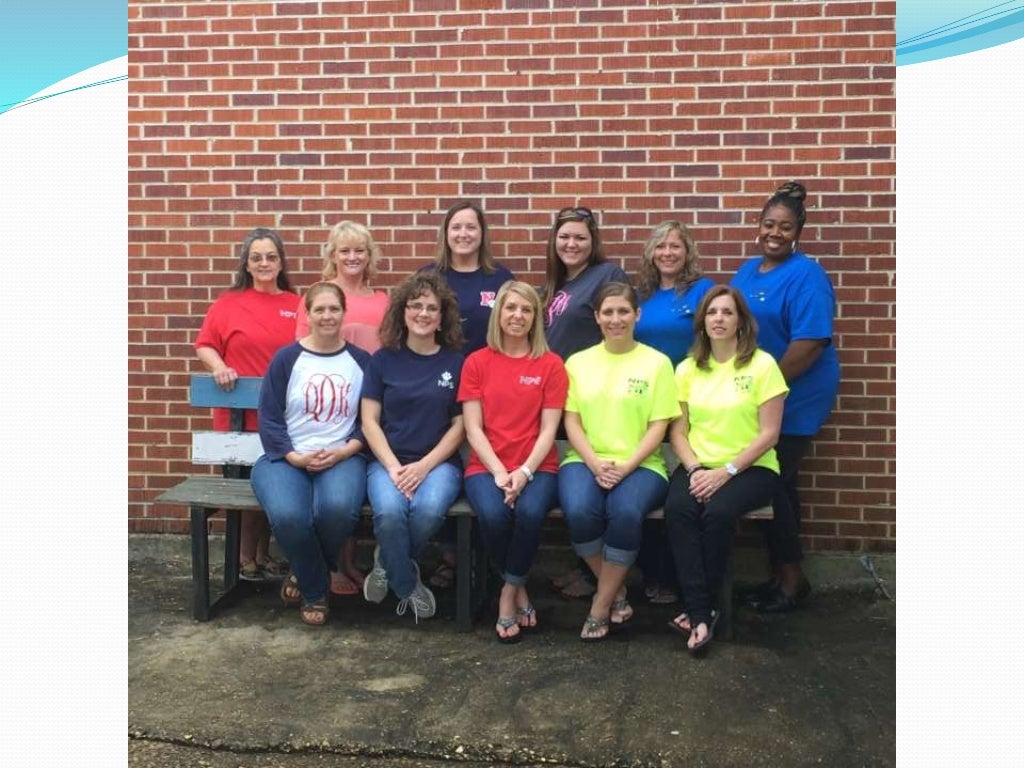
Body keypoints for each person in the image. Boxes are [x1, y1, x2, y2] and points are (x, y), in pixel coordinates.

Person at [730, 181, 841, 612]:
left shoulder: (808, 275)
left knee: (771, 484)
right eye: (769, 224)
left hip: (796, 394)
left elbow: (810, 343)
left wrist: (761, 389)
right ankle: (781, 576)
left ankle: (792, 581)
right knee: (782, 486)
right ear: (758, 226)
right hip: (759, 395)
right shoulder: (747, 271)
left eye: (786, 227)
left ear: (799, 232)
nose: (775, 233)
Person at [664, 285, 788, 653]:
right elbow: (678, 431)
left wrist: (726, 472)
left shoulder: (762, 365)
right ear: (702, 321)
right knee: (679, 509)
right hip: (698, 465)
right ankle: (702, 612)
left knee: (717, 513)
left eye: (727, 312)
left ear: (740, 322)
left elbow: (770, 434)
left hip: (752, 469)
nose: (719, 319)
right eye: (712, 312)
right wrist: (696, 468)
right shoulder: (687, 369)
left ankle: (700, 610)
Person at [558, 283, 681, 642]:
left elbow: (660, 425)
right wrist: (595, 462)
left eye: (623, 311)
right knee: (580, 510)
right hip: (584, 459)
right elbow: (572, 421)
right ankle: (617, 591)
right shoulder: (578, 362)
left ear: (637, 315)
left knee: (625, 513)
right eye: (608, 312)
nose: (616, 319)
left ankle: (600, 604)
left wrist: (626, 466)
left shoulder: (657, 363)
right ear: (597, 317)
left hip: (643, 465)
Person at [249, 282, 371, 626]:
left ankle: (303, 574)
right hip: (286, 459)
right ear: (308, 314)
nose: (327, 316)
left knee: (337, 510)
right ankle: (316, 588)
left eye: (334, 309)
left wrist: (345, 450)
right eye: (320, 309)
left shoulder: (361, 362)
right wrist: (294, 457)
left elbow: (371, 421)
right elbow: (269, 417)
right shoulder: (287, 358)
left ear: (344, 313)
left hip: (343, 457)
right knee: (289, 516)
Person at [457, 281, 568, 643]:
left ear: (536, 317)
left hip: (538, 467)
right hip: (486, 467)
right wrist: (501, 472)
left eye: (526, 310)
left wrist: (523, 472)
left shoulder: (550, 365)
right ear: (498, 313)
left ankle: (507, 591)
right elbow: (473, 427)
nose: (517, 316)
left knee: (531, 514)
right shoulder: (477, 362)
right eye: (511, 308)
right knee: (494, 515)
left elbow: (549, 429)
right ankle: (519, 587)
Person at [359, 272, 466, 622]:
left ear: (442, 316)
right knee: (389, 514)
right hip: (387, 462)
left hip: (439, 464)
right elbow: (369, 421)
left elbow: (461, 425)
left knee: (429, 509)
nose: (423, 313)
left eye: (431, 308)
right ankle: (406, 585)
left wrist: (424, 466)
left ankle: (386, 562)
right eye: (415, 305)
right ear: (402, 312)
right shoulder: (383, 360)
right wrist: (392, 467)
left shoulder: (455, 361)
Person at [419, 201, 515, 589]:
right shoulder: (430, 277)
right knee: (448, 466)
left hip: (488, 389)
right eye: (456, 227)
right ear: (446, 233)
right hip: (437, 386)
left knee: (480, 468)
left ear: (482, 233)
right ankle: (451, 554)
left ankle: (485, 557)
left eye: (470, 227)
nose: (463, 234)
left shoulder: (499, 278)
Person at [194, 227, 298, 581]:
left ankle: (262, 555)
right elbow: (205, 344)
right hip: (238, 418)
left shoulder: (297, 306)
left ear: (281, 261)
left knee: (273, 486)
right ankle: (243, 560)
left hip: (282, 417)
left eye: (271, 256)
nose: (265, 263)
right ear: (247, 264)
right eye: (257, 258)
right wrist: (220, 367)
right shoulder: (227, 304)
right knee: (246, 486)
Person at [295, 221, 389, 597]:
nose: (352, 257)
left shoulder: (383, 300)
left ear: (370, 256)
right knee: (337, 484)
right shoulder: (320, 298)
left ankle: (348, 561)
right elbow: (302, 353)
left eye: (359, 250)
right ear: (331, 255)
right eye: (344, 250)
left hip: (370, 405)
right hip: (328, 406)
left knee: (354, 482)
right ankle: (330, 564)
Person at [541, 206, 629, 599]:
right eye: (564, 237)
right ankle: (589, 569)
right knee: (578, 485)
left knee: (600, 482)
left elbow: (616, 327)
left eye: (579, 237)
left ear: (593, 243)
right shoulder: (558, 285)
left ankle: (601, 578)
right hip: (559, 395)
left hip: (594, 396)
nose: (571, 244)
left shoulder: (606, 276)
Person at [633, 220, 716, 605]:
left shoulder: (702, 292)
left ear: (688, 253)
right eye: (661, 246)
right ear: (651, 252)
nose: (668, 253)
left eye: (676, 247)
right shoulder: (642, 295)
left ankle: (688, 580)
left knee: (680, 493)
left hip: (687, 403)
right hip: (643, 405)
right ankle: (654, 574)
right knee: (647, 488)